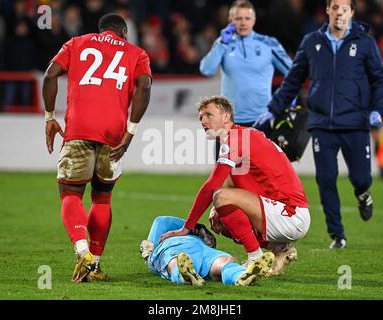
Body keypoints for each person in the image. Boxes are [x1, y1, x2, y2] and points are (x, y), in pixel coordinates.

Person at [259, 0, 383, 249]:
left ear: (351, 13)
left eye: (344, 8)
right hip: (322, 124)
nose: (339, 12)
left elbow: (380, 80)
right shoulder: (311, 42)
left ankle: (363, 194)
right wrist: (272, 109)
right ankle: (337, 235)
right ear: (327, 10)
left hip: (355, 122)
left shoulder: (365, 43)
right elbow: (293, 80)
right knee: (326, 178)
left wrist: (378, 110)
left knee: (361, 177)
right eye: (335, 7)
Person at [42, 13, 152, 282]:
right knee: (102, 198)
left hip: (78, 129)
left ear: (101, 30)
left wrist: (49, 117)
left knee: (70, 193)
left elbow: (50, 74)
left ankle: (82, 252)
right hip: (114, 135)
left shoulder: (76, 43)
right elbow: (145, 87)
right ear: (123, 33)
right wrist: (130, 132)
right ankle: (96, 261)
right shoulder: (137, 53)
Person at [160, 96, 310, 276]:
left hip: (290, 214)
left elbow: (211, 186)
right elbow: (224, 183)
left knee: (221, 197)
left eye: (209, 114)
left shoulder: (236, 138)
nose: (203, 121)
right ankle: (279, 249)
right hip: (280, 212)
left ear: (226, 116)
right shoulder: (242, 136)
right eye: (201, 117)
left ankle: (255, 258)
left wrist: (187, 227)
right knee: (217, 215)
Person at [199, 0, 292, 128]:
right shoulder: (223, 43)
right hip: (228, 121)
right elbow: (206, 70)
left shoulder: (268, 44)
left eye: (247, 18)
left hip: (261, 120)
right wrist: (222, 44)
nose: (243, 22)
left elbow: (294, 73)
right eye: (238, 18)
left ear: (254, 20)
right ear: (231, 20)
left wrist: (282, 100)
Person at [140, 216, 274, 286]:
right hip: (174, 248)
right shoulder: (158, 245)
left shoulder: (157, 249)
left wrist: (196, 230)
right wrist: (196, 227)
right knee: (174, 261)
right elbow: (161, 221)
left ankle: (241, 277)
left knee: (226, 261)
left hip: (202, 249)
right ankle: (185, 276)